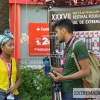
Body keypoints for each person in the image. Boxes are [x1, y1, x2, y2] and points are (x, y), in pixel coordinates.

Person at [49, 19, 90, 100]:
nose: (56, 35)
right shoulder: (68, 46)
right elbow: (67, 69)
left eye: (56, 32)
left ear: (63, 30)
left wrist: (64, 78)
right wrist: (51, 69)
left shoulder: (78, 45)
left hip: (74, 93)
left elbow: (86, 71)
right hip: (66, 92)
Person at [0, 29, 21, 100]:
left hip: (14, 96)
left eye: (13, 45)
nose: (13, 47)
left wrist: (15, 86)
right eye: (10, 45)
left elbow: (19, 79)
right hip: (2, 95)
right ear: (2, 47)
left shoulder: (14, 61)